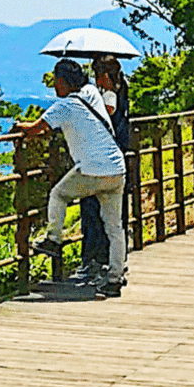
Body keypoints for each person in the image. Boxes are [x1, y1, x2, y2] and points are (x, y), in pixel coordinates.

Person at [19, 59, 127, 297]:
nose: (55, 86)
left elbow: (36, 128)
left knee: (59, 194)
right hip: (116, 168)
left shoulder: (64, 106)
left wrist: (19, 127)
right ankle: (115, 277)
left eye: (57, 81)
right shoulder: (91, 93)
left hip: (92, 170)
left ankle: (54, 238)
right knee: (114, 226)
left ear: (62, 82)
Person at [76, 56, 132, 284]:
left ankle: (96, 260)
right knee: (115, 218)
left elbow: (104, 118)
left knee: (94, 212)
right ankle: (115, 263)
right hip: (117, 162)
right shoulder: (123, 91)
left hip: (100, 162)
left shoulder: (109, 97)